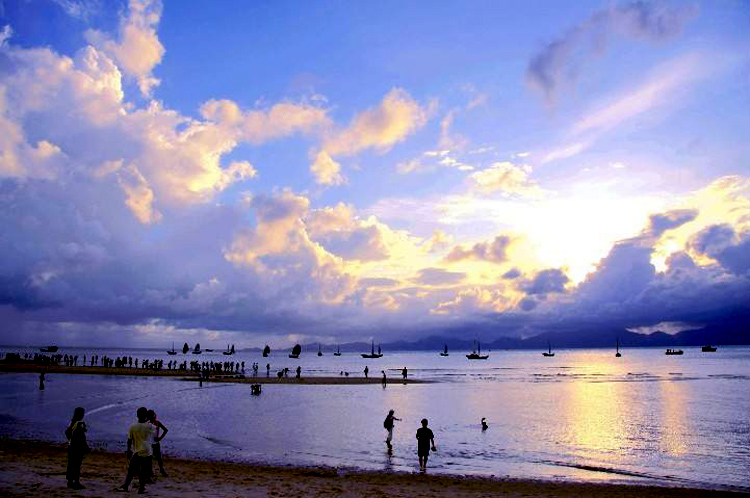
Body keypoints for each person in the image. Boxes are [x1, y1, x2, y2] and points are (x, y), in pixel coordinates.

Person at [116, 407, 154, 494]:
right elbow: (155, 436)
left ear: (137, 415)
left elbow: (129, 440)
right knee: (143, 471)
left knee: (131, 470)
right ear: (146, 415)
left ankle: (126, 486)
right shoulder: (150, 426)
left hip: (137, 451)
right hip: (147, 451)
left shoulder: (133, 426)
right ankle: (141, 488)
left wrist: (128, 450)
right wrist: (149, 419)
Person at [65, 407, 89, 489]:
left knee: (72, 464)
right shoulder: (77, 423)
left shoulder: (74, 422)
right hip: (76, 447)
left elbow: (68, 433)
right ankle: (75, 482)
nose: (83, 415)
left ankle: (71, 481)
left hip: (73, 446)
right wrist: (72, 441)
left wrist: (70, 441)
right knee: (76, 465)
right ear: (79, 414)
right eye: (82, 414)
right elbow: (69, 433)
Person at [148, 410, 169, 477]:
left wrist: (160, 438)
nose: (153, 417)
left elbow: (165, 430)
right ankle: (151, 471)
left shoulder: (157, 423)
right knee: (150, 458)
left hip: (155, 443)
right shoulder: (147, 424)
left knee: (158, 458)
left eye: (153, 415)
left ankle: (161, 470)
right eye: (151, 416)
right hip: (149, 443)